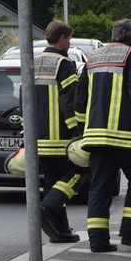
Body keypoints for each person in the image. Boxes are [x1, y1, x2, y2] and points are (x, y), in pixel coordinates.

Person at [74, 18, 131, 253]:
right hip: (128, 137)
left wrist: (83, 131)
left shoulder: (93, 58)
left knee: (99, 187)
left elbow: (80, 100)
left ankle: (98, 241)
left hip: (96, 138)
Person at [35, 21, 87, 244]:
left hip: (38, 137)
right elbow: (69, 101)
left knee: (53, 182)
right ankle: (45, 210)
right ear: (62, 38)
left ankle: (60, 230)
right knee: (78, 173)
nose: (70, 43)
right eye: (69, 39)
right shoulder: (64, 64)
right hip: (60, 139)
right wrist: (77, 133)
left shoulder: (33, 63)